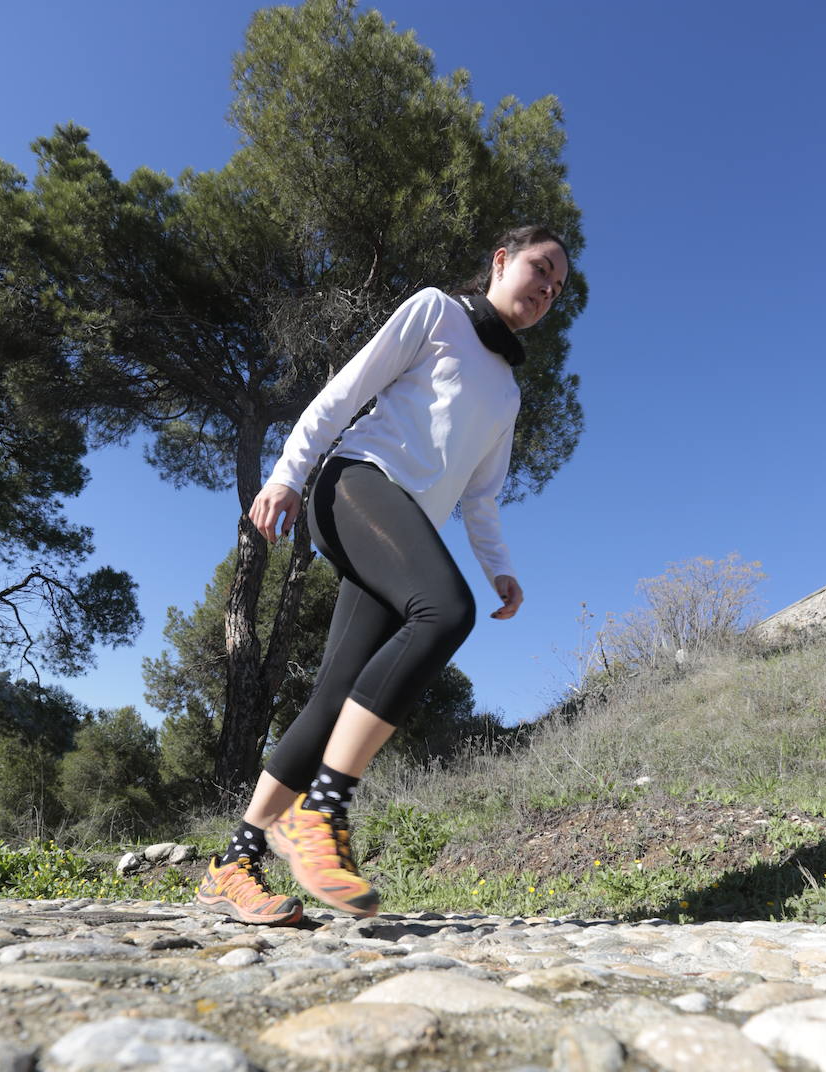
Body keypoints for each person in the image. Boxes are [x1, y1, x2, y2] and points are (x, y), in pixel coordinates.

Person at [196, 225, 570, 924]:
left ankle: (234, 861)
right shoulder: (437, 312)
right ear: (501, 260)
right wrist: (286, 475)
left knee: (334, 698)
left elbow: (480, 496)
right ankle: (323, 812)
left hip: (404, 529)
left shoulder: (508, 393)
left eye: (557, 288)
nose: (547, 290)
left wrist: (502, 570)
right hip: (354, 486)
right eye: (540, 269)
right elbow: (344, 393)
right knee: (444, 611)